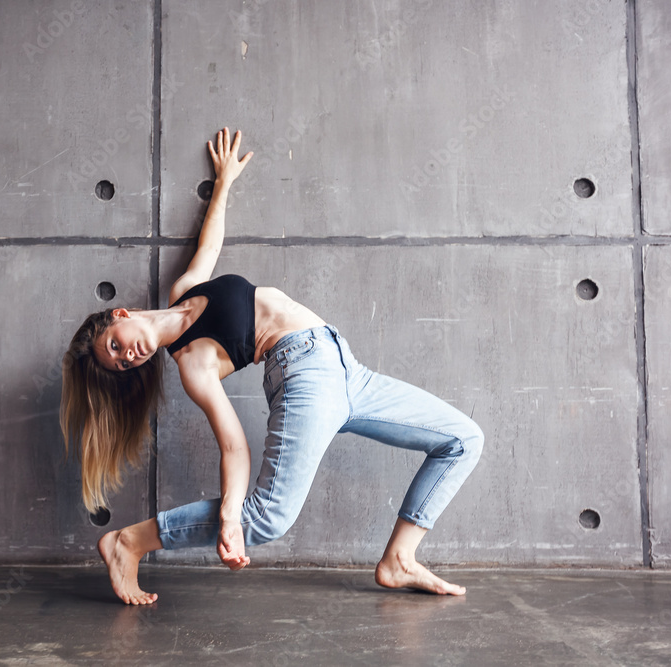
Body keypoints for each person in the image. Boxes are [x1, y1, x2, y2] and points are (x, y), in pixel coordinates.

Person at [61, 128, 484, 605]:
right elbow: (234, 447)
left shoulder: (184, 291)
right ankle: (128, 542)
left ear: (121, 315)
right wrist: (226, 519)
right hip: (304, 374)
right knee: (263, 518)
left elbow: (209, 246)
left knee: (463, 439)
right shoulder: (192, 365)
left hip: (347, 368)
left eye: (115, 346)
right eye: (119, 365)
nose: (126, 357)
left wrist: (222, 184)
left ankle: (399, 560)